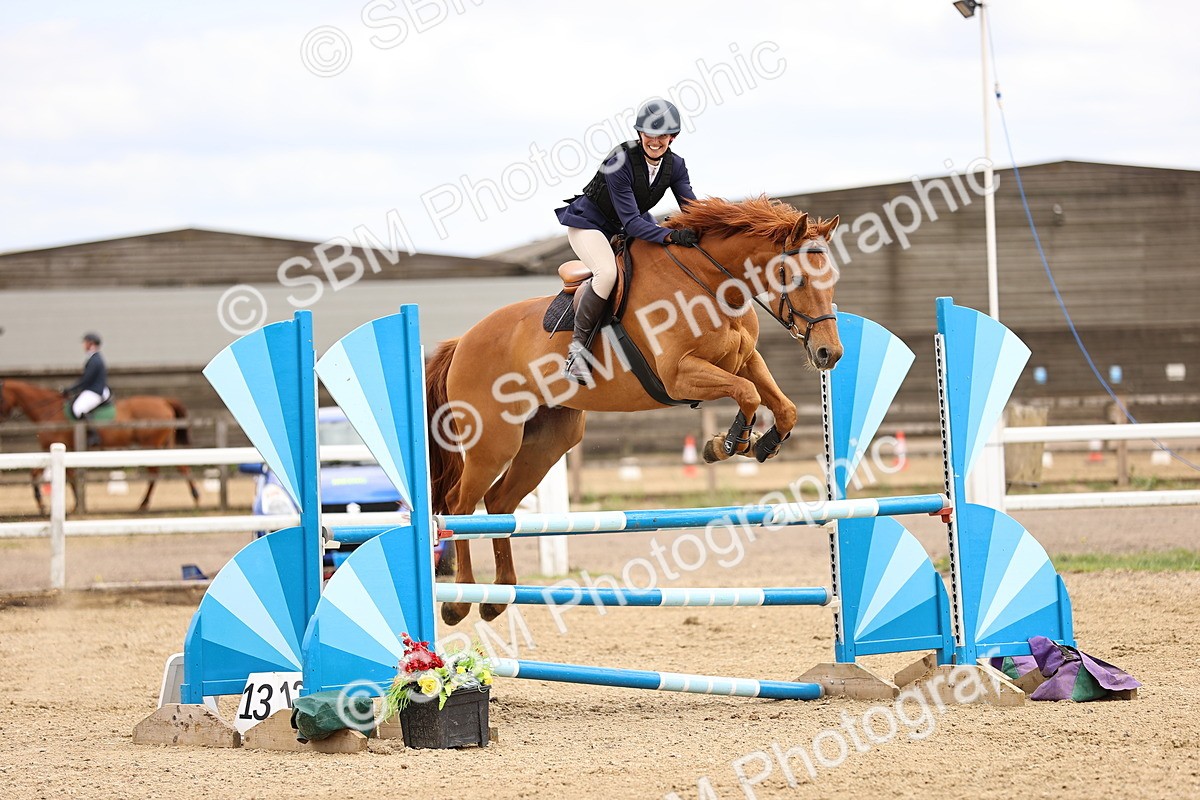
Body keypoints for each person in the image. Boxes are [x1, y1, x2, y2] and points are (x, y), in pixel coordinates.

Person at [555, 98, 702, 383]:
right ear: (639, 134)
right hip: (591, 225)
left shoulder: (677, 165)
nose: (655, 141)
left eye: (662, 136)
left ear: (673, 137)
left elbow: (692, 209)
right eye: (649, 134)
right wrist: (671, 234)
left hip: (629, 224)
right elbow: (633, 224)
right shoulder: (619, 160)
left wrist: (713, 230)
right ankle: (577, 355)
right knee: (608, 273)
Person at [62, 332, 111, 446]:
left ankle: (94, 436)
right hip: (93, 388)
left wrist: (70, 390)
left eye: (85, 342)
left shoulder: (95, 360)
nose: (83, 345)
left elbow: (86, 380)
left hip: (95, 390)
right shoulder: (93, 358)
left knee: (78, 408)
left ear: (91, 343)